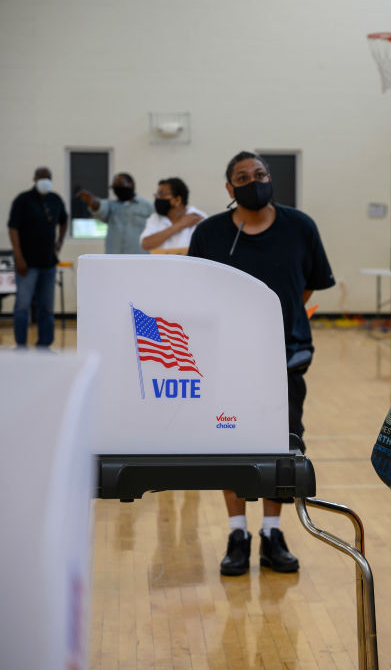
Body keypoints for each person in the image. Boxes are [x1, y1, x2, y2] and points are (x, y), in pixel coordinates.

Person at [188, 151, 334, 576]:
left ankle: (273, 533)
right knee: (229, 443)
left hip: (286, 356)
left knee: (283, 444)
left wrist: (276, 319)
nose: (254, 181)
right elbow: (196, 291)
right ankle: (238, 533)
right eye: (243, 177)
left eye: (261, 173)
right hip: (226, 357)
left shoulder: (300, 226)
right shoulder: (209, 233)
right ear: (229, 188)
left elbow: (306, 288)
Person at [7, 167, 68, 348]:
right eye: (41, 177)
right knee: (22, 307)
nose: (45, 180)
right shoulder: (23, 200)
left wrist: (59, 242)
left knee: (47, 308)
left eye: (48, 177)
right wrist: (19, 257)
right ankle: (21, 346)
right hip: (27, 264)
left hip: (49, 263)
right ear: (34, 179)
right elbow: (13, 228)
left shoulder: (55, 199)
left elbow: (64, 221)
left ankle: (44, 346)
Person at [77, 172, 153, 254]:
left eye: (120, 184)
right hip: (113, 257)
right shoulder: (111, 205)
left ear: (131, 184)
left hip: (139, 257)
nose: (118, 188)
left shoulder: (147, 206)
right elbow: (100, 208)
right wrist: (92, 202)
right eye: (114, 186)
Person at [139, 177, 206, 252]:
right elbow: (146, 244)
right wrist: (180, 225)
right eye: (157, 195)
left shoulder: (197, 217)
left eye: (161, 194)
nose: (157, 198)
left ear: (178, 200)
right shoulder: (156, 218)